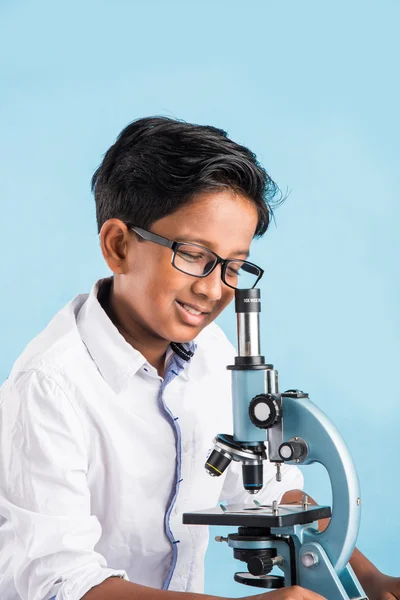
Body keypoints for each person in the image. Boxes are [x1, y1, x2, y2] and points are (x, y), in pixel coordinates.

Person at [0, 117, 397, 600]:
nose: (213, 289)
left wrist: (371, 580)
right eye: (193, 255)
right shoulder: (48, 386)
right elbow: (61, 584)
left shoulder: (211, 352)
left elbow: (271, 492)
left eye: (233, 265)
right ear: (118, 245)